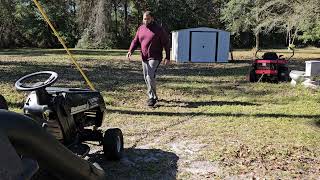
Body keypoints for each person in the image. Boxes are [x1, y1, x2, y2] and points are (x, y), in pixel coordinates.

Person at [127, 11, 170, 107]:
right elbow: (135, 41)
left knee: (149, 75)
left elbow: (166, 43)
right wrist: (130, 50)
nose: (146, 20)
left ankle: (152, 98)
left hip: (155, 57)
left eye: (148, 19)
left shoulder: (159, 29)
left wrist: (167, 57)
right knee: (146, 76)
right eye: (144, 19)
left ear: (152, 19)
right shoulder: (141, 28)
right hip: (144, 56)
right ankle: (154, 96)